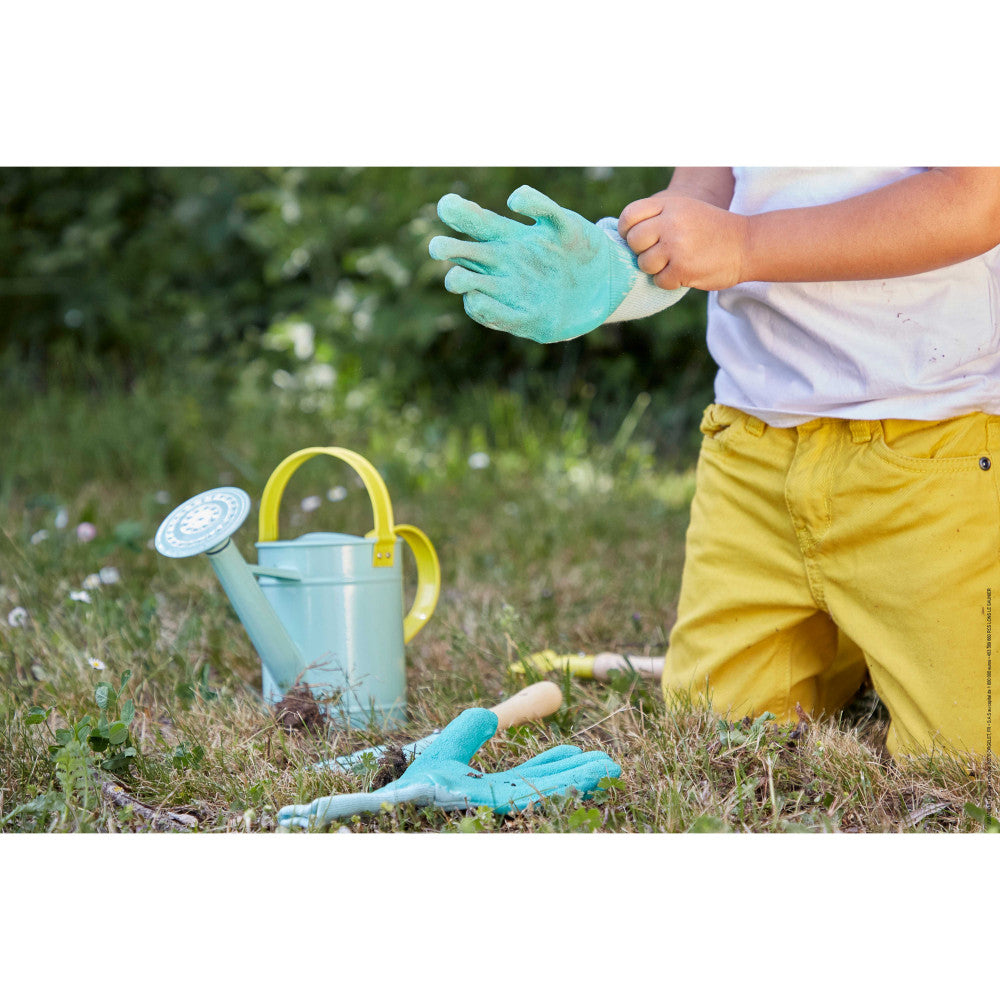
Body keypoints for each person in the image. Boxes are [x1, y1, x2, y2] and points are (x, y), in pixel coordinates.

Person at [429, 167, 1000, 761]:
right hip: (752, 444)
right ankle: (856, 629)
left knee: (969, 757)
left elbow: (975, 199)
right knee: (715, 731)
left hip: (934, 442)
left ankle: (877, 622)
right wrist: (624, 266)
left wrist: (742, 244)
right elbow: (700, 191)